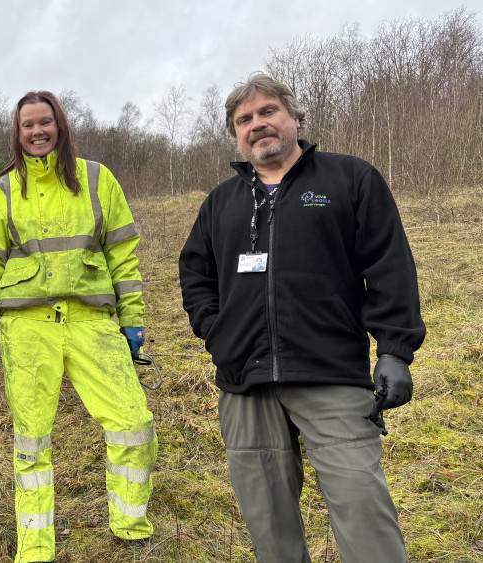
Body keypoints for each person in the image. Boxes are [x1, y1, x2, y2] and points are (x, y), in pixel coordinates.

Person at [178, 72, 426, 562]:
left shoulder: (349, 179)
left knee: (362, 508)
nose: (257, 124)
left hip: (330, 373)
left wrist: (395, 351)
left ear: (294, 118)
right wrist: (217, 332)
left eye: (267, 111)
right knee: (269, 525)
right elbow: (195, 275)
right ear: (235, 134)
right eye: (244, 119)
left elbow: (390, 267)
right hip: (244, 383)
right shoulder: (221, 202)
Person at [0, 90, 158, 563]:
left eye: (45, 122)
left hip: (92, 321)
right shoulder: (4, 190)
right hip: (27, 327)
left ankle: (130, 526)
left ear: (61, 125)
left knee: (134, 424)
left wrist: (132, 318)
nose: (37, 131)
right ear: (17, 132)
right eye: (27, 124)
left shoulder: (97, 179)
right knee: (31, 441)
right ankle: (34, 547)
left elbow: (123, 254)